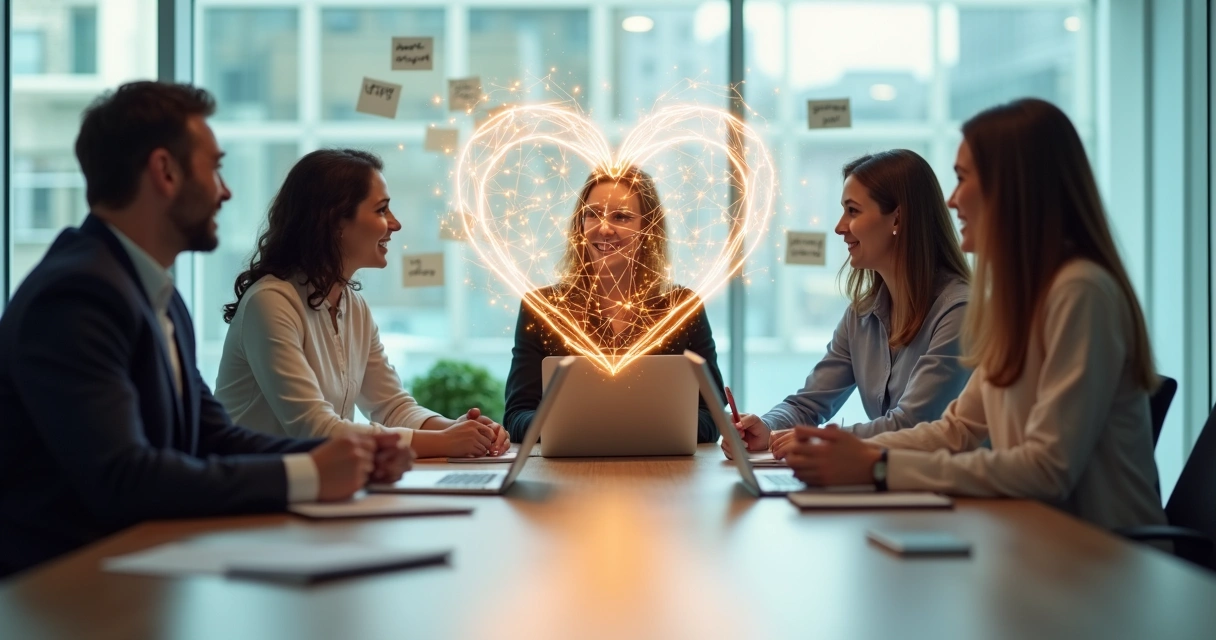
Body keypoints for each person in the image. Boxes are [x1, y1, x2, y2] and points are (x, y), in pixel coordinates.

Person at [0, 82, 413, 578]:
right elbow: (124, 477)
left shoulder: (156, 294)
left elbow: (212, 434)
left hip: (138, 570)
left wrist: (355, 457)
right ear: (165, 172)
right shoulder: (76, 295)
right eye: (215, 167)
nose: (226, 190)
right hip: (67, 590)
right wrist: (308, 472)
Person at [784, 98, 1167, 532]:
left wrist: (876, 466)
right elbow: (957, 431)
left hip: (1103, 563)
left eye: (964, 179)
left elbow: (1047, 468)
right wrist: (854, 453)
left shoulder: (1080, 292)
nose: (951, 199)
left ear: (1014, 187)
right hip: (1034, 546)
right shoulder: (1016, 299)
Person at [216, 149, 508, 459]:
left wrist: (460, 430)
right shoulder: (270, 303)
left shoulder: (352, 305)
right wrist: (445, 441)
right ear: (334, 222)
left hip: (314, 488)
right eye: (382, 210)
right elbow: (315, 429)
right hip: (252, 495)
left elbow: (391, 406)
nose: (395, 224)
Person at [726, 150, 971, 459]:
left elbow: (912, 424)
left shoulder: (959, 311)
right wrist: (767, 428)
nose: (840, 227)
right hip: (897, 485)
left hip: (955, 496)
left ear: (897, 218)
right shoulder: (862, 314)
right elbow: (808, 404)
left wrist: (816, 440)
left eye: (853, 211)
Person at [503, 165, 727, 443]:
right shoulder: (543, 308)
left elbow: (713, 416)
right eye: (592, 214)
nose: (604, 228)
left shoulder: (682, 307)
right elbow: (517, 416)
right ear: (579, 225)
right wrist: (571, 425)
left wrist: (635, 428)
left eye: (621, 216)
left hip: (662, 475)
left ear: (648, 229)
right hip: (567, 474)